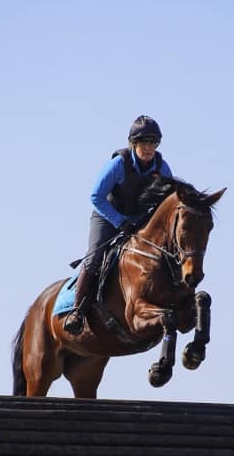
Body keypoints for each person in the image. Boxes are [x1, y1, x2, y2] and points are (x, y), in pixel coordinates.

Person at [64, 115, 174, 335]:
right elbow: (96, 196)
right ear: (133, 144)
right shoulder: (118, 164)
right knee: (95, 257)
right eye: (144, 142)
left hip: (137, 219)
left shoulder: (162, 169)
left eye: (153, 143)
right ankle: (77, 311)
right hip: (107, 216)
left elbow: (166, 203)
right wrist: (119, 221)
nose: (148, 148)